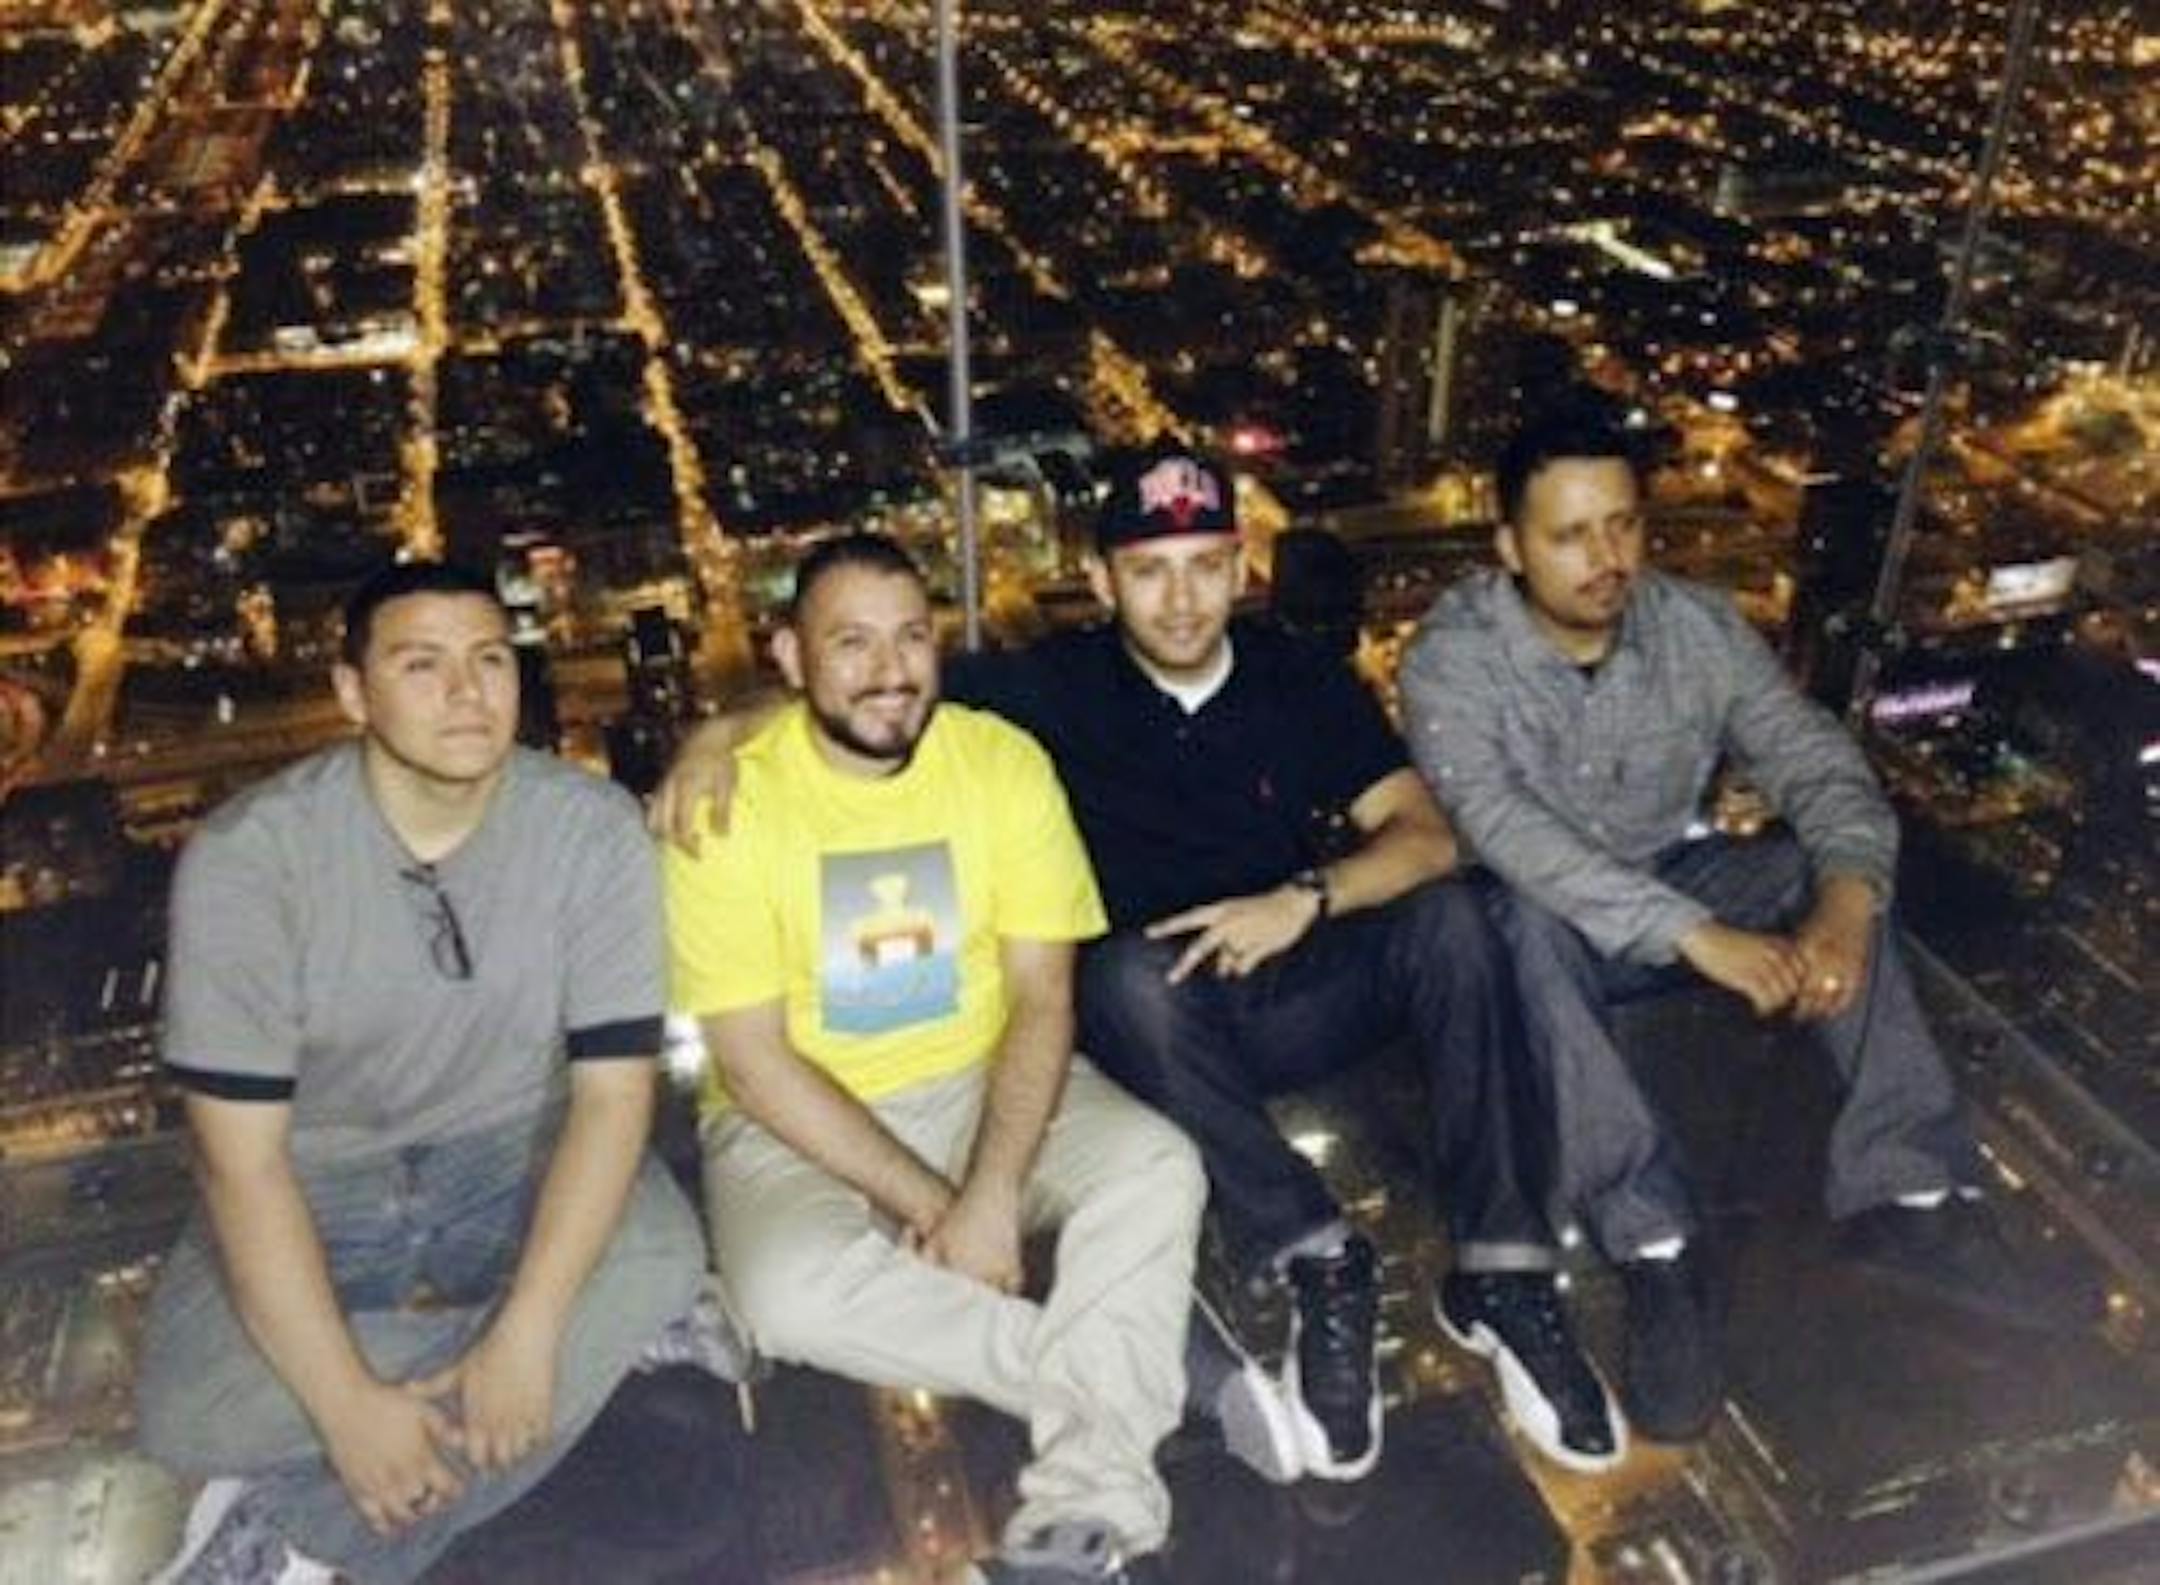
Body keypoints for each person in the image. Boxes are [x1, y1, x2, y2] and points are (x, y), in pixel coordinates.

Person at [657, 452, 1623, 1482]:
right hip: (1155, 1027)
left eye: (1205, 565)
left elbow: (1425, 836)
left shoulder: (1296, 675)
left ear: (1240, 569)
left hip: (1294, 976)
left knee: (1471, 918)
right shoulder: (1051, 688)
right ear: (1106, 579)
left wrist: (1304, 898)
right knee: (1119, 975)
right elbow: (876, 695)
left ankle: (1502, 1275)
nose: (1180, 597)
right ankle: (1314, 1259)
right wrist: (719, 731)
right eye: (1150, 569)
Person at [1398, 397, 2098, 1444]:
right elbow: (1504, 830)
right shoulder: (1452, 658)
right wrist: (1694, 934)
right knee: (1515, 914)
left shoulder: (1696, 628)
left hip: (1678, 876)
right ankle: (1654, 1247)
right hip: (1548, 918)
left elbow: (1818, 764)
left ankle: (1909, 1197)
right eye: (1569, 534)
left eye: (1624, 524)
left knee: (1823, 861)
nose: (1606, 557)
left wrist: (1847, 903)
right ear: (1508, 546)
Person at [139, 562, 729, 1585]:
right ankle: (592, 1344)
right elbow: (241, 1165)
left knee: (657, 1254)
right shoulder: (253, 860)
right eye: (424, 664)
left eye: (491, 660)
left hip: (515, 1162)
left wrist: (532, 1330)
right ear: (354, 693)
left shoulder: (587, 831)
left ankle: (296, 1536)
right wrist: (345, 1406)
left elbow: (611, 1095)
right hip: (324, 1190)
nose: (468, 692)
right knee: (187, 1410)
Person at [664, 533, 1209, 1585]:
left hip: (983, 1076)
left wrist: (992, 1194)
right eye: (852, 643)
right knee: (783, 1295)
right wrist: (936, 1205)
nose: (889, 670)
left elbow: (1045, 995)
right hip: (795, 1121)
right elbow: (758, 1063)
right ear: (789, 658)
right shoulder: (727, 806)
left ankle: (1077, 1525)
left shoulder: (1000, 765)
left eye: (911, 637)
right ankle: (1120, 1392)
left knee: (1155, 1166)